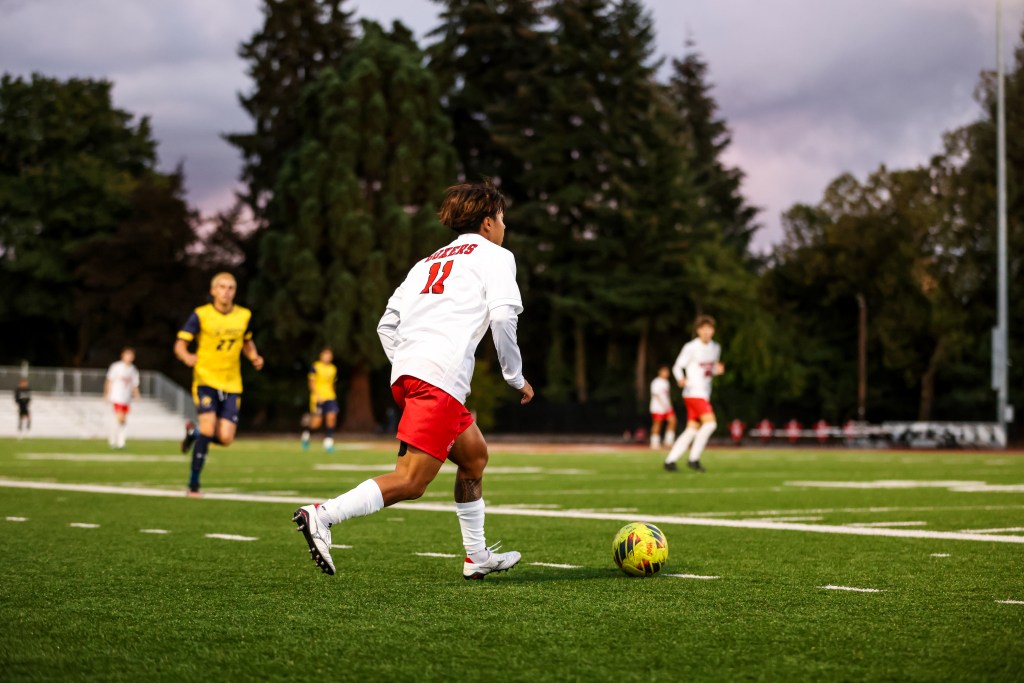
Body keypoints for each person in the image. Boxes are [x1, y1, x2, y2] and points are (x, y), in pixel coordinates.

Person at [292, 180, 534, 579]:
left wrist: (409, 362)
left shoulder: (426, 262)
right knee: (411, 481)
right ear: (489, 222)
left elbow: (387, 325)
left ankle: (476, 556)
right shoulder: (495, 255)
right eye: (503, 218)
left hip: (411, 376)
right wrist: (515, 376)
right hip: (437, 379)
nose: (504, 226)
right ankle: (323, 515)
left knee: (474, 458)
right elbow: (505, 317)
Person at [174, 272, 264, 496]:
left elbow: (247, 341)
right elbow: (180, 344)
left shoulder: (244, 315)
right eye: (222, 287)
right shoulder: (201, 315)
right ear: (213, 290)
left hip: (232, 383)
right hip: (206, 379)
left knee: (225, 438)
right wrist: (187, 357)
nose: (226, 291)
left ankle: (193, 434)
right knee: (208, 428)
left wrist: (254, 356)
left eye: (231, 287)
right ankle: (193, 484)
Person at [663, 315, 724, 473]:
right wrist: (681, 378)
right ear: (698, 330)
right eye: (703, 329)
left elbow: (710, 370)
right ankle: (693, 458)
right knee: (711, 424)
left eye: (709, 329)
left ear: (713, 331)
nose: (706, 332)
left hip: (705, 392)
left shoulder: (716, 348)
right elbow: (677, 366)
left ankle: (670, 461)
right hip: (693, 392)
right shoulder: (691, 347)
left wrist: (717, 371)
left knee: (692, 429)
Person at [301, 347, 339, 452]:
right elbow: (311, 382)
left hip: (330, 397)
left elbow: (333, 383)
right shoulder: (316, 366)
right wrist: (317, 395)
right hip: (318, 397)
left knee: (331, 417)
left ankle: (328, 442)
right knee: (317, 423)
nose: (327, 357)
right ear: (321, 356)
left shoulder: (333, 369)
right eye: (325, 355)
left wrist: (333, 394)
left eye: (329, 355)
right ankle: (306, 435)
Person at [104, 347, 141, 449]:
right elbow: (109, 380)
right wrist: (107, 394)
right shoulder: (116, 367)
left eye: (131, 355)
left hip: (126, 398)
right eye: (127, 355)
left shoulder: (133, 369)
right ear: (122, 355)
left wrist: (137, 394)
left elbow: (135, 384)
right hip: (116, 397)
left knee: (123, 420)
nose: (129, 357)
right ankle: (112, 440)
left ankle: (121, 442)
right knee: (119, 418)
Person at [649, 365, 676, 449]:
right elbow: (656, 395)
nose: (667, 373)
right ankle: (654, 443)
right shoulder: (656, 382)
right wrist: (663, 405)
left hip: (667, 407)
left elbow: (667, 396)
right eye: (665, 371)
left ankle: (668, 441)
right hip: (658, 407)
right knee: (657, 424)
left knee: (673, 421)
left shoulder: (666, 382)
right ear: (660, 372)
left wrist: (669, 406)